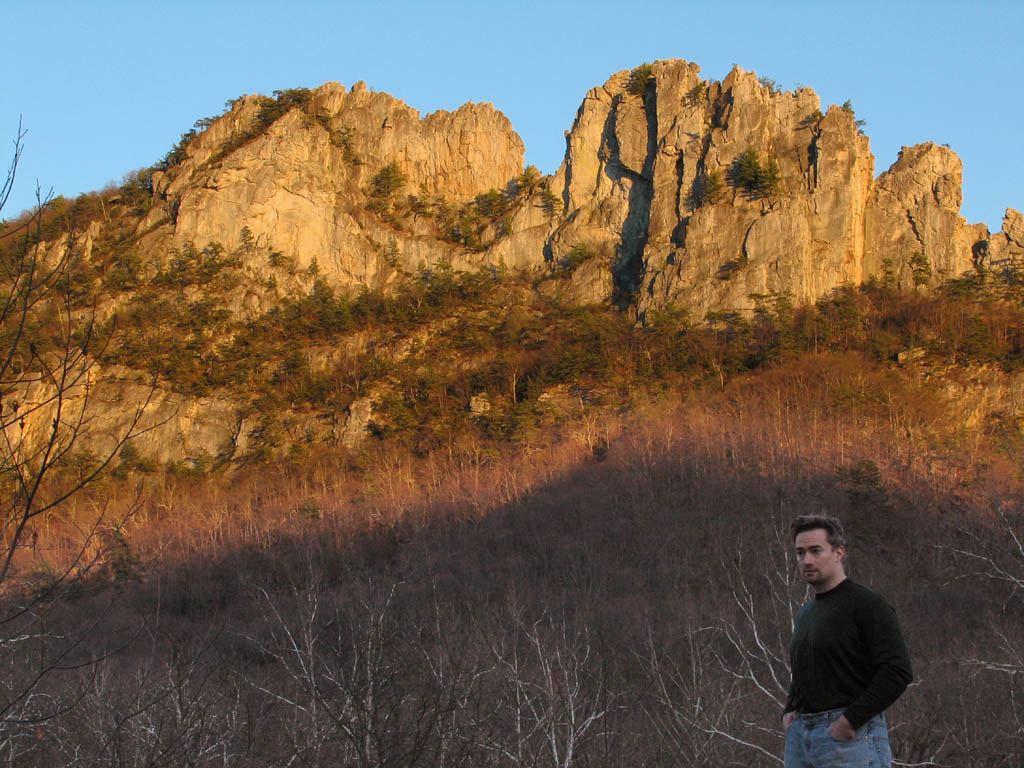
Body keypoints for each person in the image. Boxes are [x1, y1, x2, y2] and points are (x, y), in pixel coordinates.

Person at [782, 515, 912, 768]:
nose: (806, 560)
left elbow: (897, 670)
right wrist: (789, 710)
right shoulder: (807, 612)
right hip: (801, 739)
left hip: (848, 741)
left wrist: (850, 721)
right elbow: (805, 669)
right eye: (800, 553)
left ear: (839, 553)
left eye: (815, 551)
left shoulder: (867, 604)